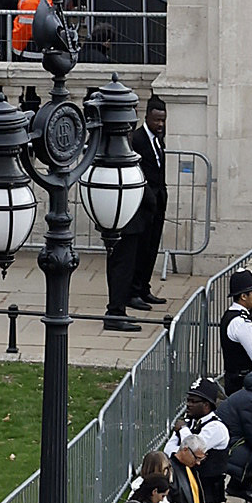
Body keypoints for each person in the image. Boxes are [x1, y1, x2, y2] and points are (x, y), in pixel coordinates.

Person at [102, 93, 168, 332]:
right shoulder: (127, 144)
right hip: (126, 214)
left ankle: (128, 300)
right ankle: (116, 310)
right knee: (123, 263)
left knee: (141, 254)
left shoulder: (153, 141)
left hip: (141, 210)